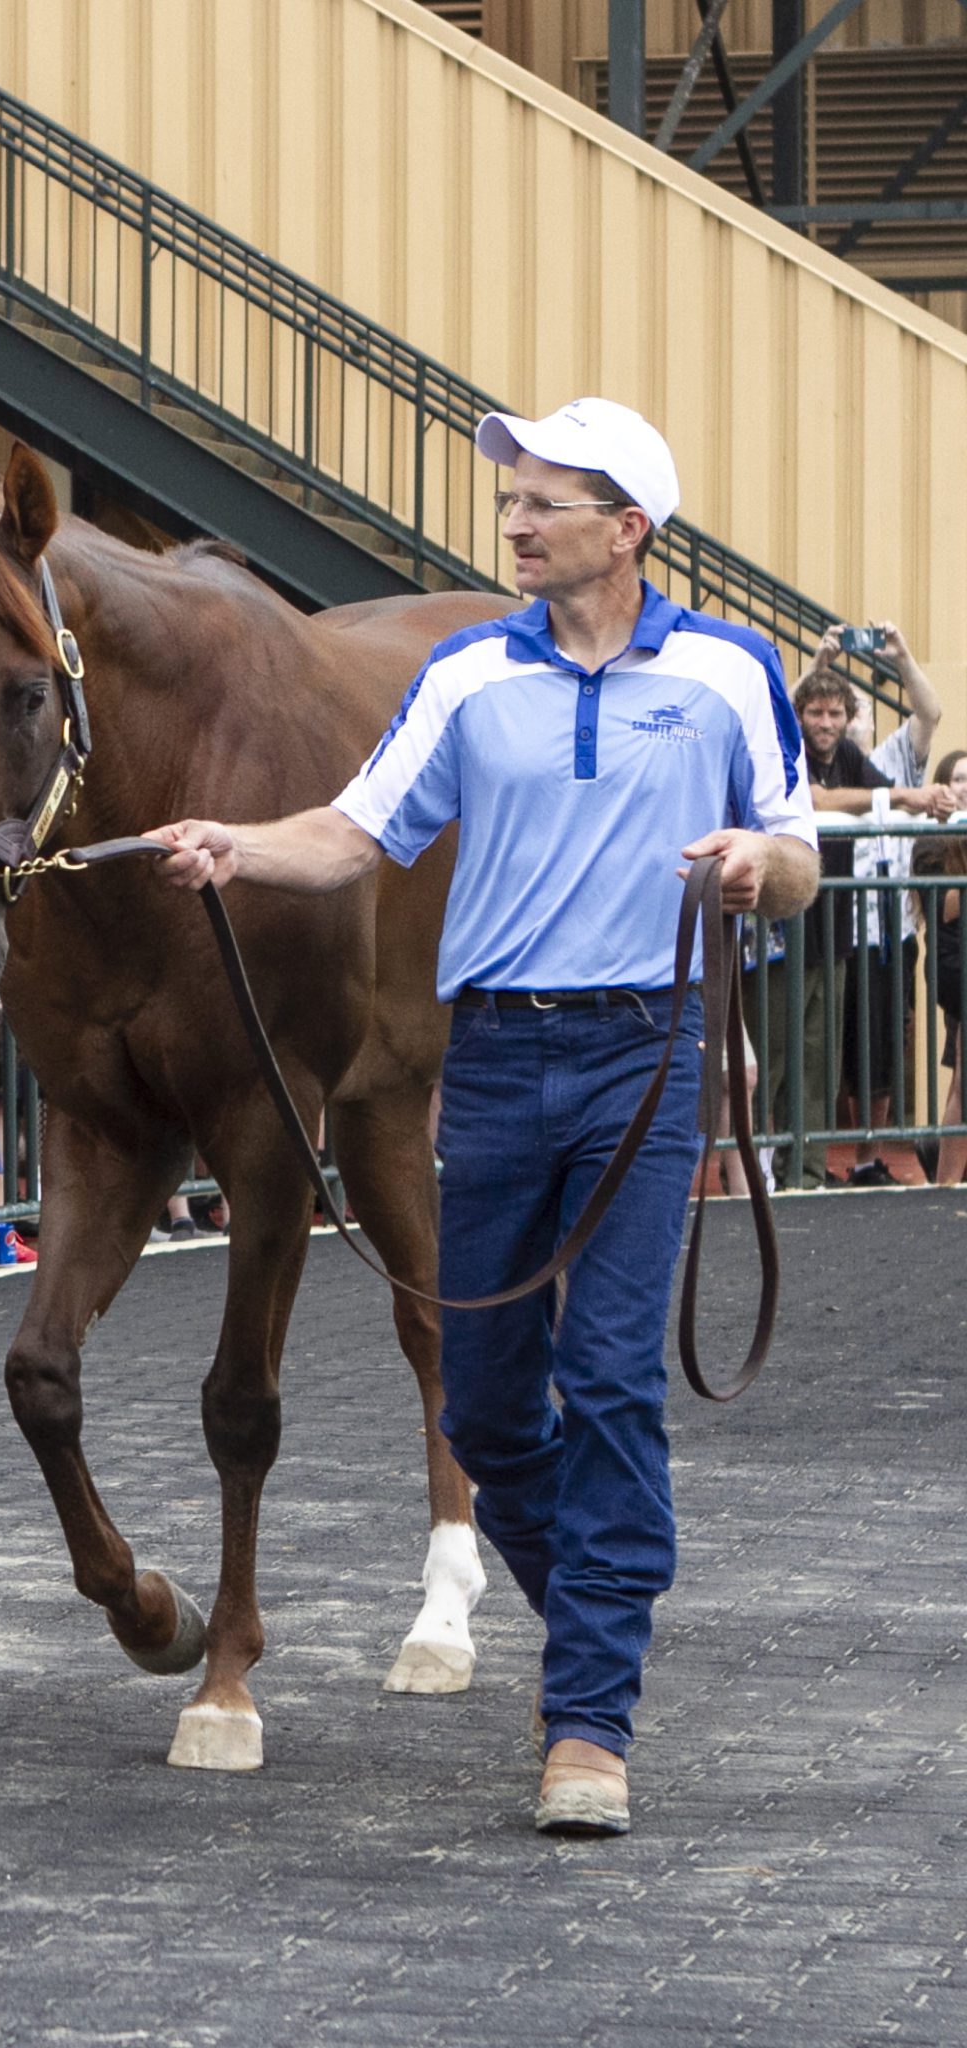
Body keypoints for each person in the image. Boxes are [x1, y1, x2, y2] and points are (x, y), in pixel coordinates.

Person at [144, 397, 820, 1836]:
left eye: (544, 500)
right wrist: (234, 845)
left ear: (629, 525)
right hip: (497, 1060)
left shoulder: (725, 670)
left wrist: (762, 859)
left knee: (617, 1377)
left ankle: (588, 1721)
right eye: (509, 498)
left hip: (649, 1044)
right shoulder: (463, 678)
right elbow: (354, 833)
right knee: (494, 1404)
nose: (512, 520)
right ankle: (591, 1608)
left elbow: (805, 849)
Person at [796, 630, 951, 1184]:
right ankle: (798, 1157)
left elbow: (930, 711)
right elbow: (787, 722)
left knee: (883, 1046)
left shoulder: (887, 760)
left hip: (889, 928)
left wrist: (904, 654)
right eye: (827, 710)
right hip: (837, 922)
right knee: (824, 1043)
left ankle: (864, 1157)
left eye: (845, 711)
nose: (838, 721)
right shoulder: (816, 758)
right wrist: (819, 661)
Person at [923, 749, 967, 1185]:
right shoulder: (933, 839)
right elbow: (943, 908)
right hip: (956, 962)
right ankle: (947, 1180)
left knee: (962, 1075)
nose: (965, 788)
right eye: (958, 779)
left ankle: (949, 1178)